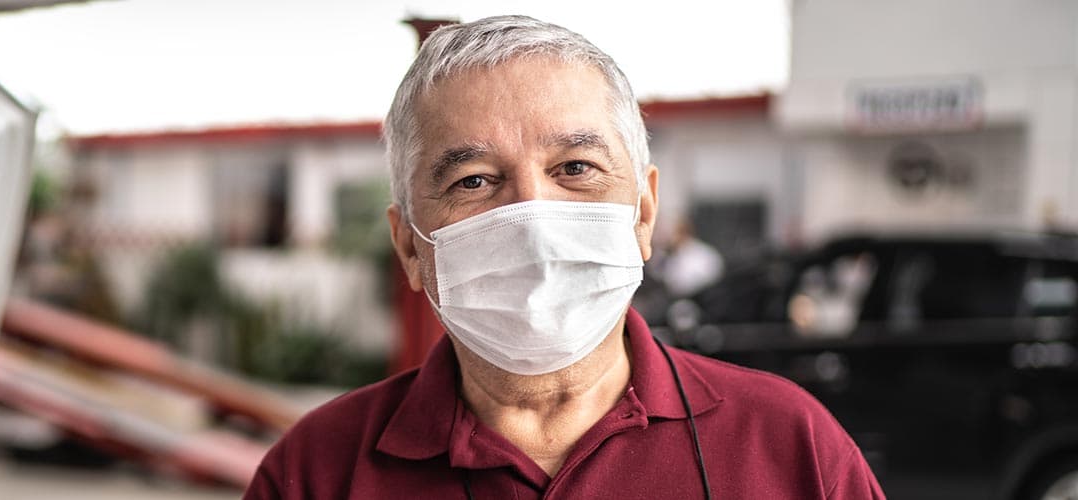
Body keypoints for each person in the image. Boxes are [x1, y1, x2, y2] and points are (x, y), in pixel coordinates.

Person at [245, 16, 883, 499]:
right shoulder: (317, 473)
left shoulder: (791, 447)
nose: (533, 224)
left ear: (643, 213)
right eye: (473, 181)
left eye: (575, 168)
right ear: (410, 244)